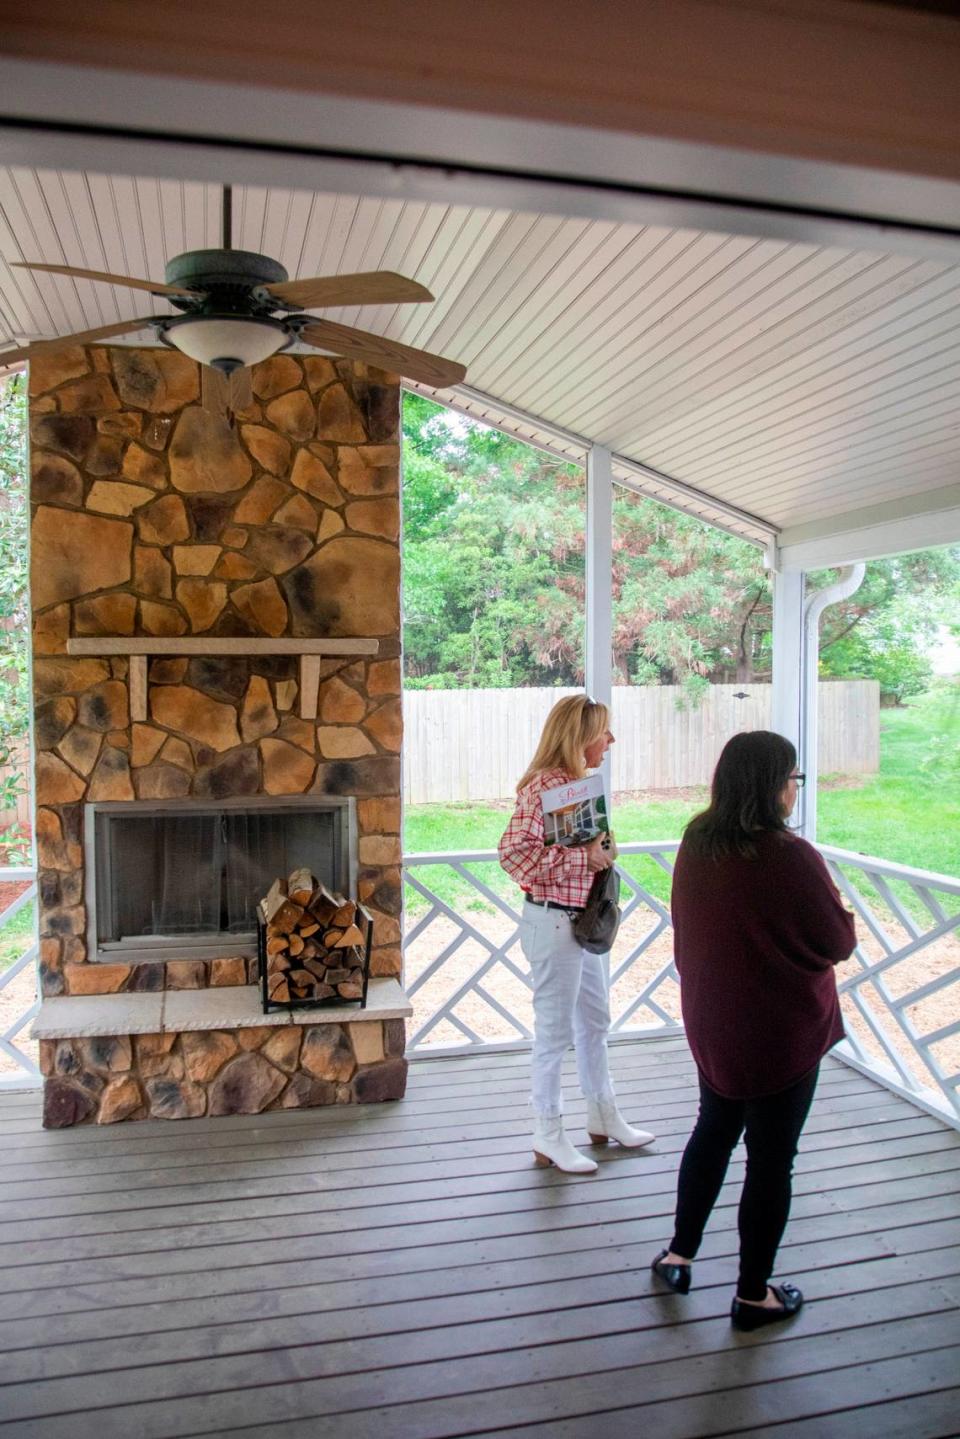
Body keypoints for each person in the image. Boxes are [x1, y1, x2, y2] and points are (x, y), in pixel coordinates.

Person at [652, 730, 856, 1330]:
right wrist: (839, 908)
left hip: (715, 1023)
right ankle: (751, 1295)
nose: (795, 788)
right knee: (771, 1161)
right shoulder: (790, 856)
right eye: (793, 778)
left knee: (712, 1132)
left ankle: (678, 1255)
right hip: (781, 1033)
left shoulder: (698, 838)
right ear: (774, 786)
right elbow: (837, 941)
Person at [499, 694, 656, 1174]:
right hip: (552, 921)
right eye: (603, 732)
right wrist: (582, 857)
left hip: (581, 920)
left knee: (595, 1021)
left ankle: (602, 1114)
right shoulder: (543, 788)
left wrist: (601, 848)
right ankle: (547, 1132)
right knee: (554, 1033)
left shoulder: (577, 787)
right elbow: (512, 856)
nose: (611, 741)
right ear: (579, 736)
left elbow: (583, 850)